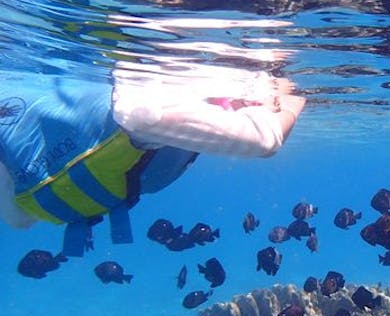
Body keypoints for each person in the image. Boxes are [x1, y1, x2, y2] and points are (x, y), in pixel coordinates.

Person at [0, 24, 305, 257]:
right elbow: (266, 140)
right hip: (98, 165)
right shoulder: (151, 106)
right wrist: (292, 95)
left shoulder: (152, 95)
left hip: (51, 186)